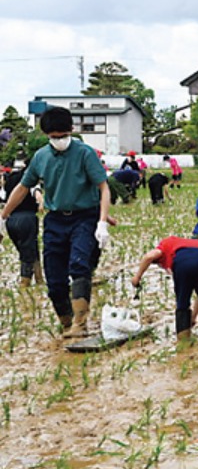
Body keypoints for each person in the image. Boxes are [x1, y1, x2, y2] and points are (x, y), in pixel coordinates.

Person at [0, 106, 114, 338]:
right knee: (54, 278)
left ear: (71, 131)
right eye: (54, 137)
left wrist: (102, 222)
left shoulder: (85, 153)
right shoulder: (41, 157)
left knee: (79, 265)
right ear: (47, 136)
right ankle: (66, 323)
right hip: (54, 220)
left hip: (84, 217)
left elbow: (103, 187)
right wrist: (3, 217)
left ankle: (80, 324)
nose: (59, 141)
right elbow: (23, 187)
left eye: (63, 136)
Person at [132, 236, 198, 344]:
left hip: (182, 260)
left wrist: (137, 277)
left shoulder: (165, 245)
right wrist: (193, 317)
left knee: (182, 304)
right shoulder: (191, 243)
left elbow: (149, 256)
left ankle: (184, 342)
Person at [2, 162, 42, 287]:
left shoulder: (7, 179)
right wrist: (41, 202)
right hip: (27, 218)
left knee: (28, 249)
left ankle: (39, 277)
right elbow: (36, 192)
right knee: (28, 251)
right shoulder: (29, 177)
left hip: (11, 219)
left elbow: (3, 197)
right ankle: (25, 282)